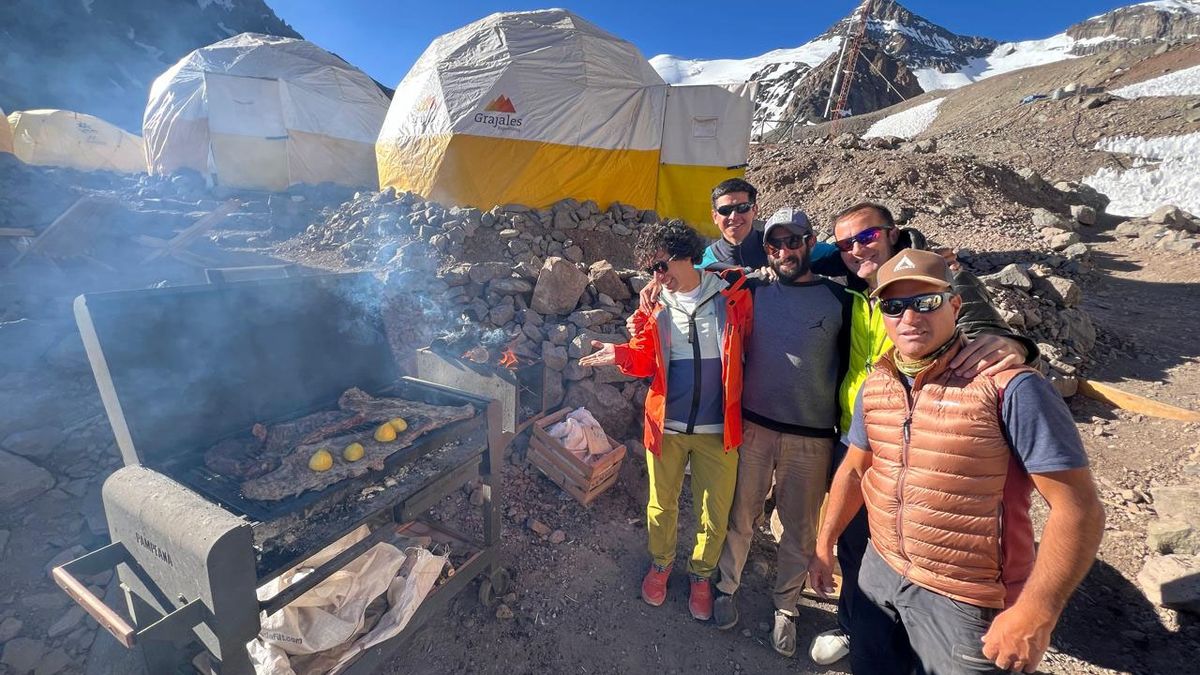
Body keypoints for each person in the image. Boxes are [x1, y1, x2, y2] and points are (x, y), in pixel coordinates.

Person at [807, 249, 1104, 675]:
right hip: (880, 570)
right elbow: (856, 470)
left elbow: (1078, 508)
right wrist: (824, 542)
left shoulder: (1010, 387)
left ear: (955, 304)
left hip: (965, 597)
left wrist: (1037, 610)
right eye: (894, 306)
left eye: (925, 301)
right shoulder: (878, 384)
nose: (909, 317)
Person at [579, 221, 752, 622]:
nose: (657, 277)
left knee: (715, 513)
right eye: (651, 269)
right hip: (666, 427)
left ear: (685, 254)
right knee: (661, 506)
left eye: (661, 266)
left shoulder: (732, 297)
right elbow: (644, 361)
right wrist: (620, 354)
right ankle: (661, 564)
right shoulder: (655, 306)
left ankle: (702, 575)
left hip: (718, 430)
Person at [709, 208, 851, 657]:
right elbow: (701, 280)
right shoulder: (754, 290)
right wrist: (656, 284)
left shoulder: (841, 300)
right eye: (775, 244)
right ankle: (726, 586)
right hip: (754, 427)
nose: (784, 251)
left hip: (812, 436)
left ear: (810, 243)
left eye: (793, 242)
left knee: (799, 528)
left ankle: (786, 606)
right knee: (742, 514)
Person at [699, 178, 843, 278]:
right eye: (725, 210)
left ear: (755, 210)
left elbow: (842, 256)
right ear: (714, 216)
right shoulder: (702, 263)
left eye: (742, 208)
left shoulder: (782, 245)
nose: (733, 216)